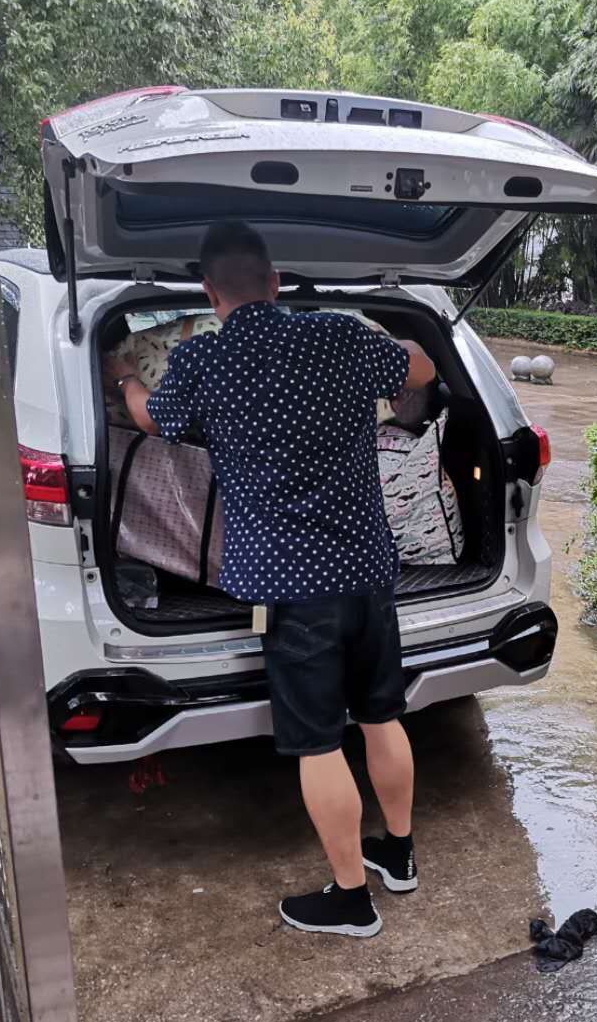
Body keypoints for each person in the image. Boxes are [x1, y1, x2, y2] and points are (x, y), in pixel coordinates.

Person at [105, 219, 436, 939]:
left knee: (319, 743)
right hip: (368, 571)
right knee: (382, 715)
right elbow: (419, 371)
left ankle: (351, 899)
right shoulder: (339, 336)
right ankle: (399, 853)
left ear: (210, 293)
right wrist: (398, 345)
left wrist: (126, 375)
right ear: (276, 283)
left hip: (292, 586)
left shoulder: (204, 359)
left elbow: (151, 420)